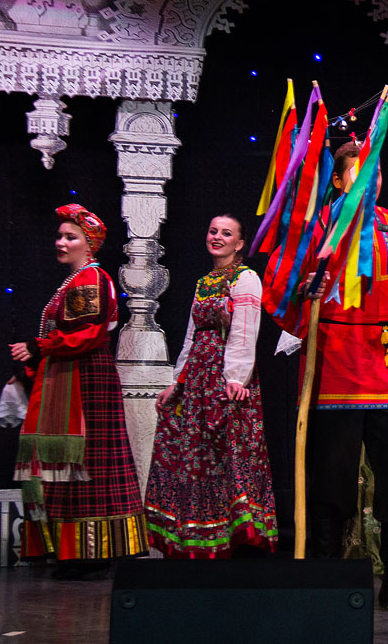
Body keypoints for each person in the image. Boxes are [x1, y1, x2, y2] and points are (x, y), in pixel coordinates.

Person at [263, 140, 388, 613]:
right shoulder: (316, 228)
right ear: (336, 181)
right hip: (331, 361)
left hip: (385, 361)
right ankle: (327, 577)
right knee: (330, 481)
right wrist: (305, 292)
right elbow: (278, 289)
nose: (371, 180)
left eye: (376, 171)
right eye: (359, 172)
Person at [9, 204, 148, 578]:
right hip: (71, 373)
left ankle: (89, 551)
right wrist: (34, 358)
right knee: (74, 463)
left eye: (71, 237)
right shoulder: (75, 281)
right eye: (60, 236)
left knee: (86, 462)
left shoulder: (90, 278)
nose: (61, 242)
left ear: (90, 244)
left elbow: (85, 333)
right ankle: (75, 549)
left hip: (84, 376)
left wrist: (39, 346)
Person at [145, 214, 277, 558]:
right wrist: (177, 382)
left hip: (226, 374)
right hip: (198, 377)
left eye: (226, 233)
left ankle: (239, 537)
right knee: (197, 455)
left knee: (229, 452)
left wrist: (236, 378)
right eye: (213, 231)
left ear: (240, 243)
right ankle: (200, 534)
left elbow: (245, 331)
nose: (217, 236)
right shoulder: (204, 281)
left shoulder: (245, 278)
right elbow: (191, 336)